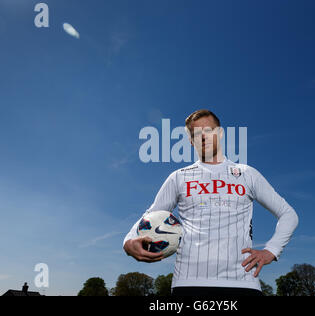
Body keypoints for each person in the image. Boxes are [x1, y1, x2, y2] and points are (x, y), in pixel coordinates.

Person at [123, 109, 299, 296]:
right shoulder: (179, 177)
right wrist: (128, 241)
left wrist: (271, 250)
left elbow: (288, 214)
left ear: (220, 133)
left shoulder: (247, 174)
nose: (203, 137)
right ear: (191, 141)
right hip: (188, 283)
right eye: (196, 134)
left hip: (243, 283)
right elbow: (152, 215)